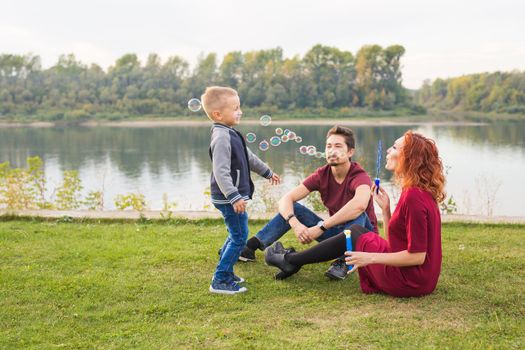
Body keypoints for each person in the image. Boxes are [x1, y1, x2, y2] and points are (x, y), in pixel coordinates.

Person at [265, 130, 445, 297]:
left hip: (410, 281)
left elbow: (417, 256)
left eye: (395, 147)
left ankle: (291, 260)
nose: (389, 150)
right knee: (357, 231)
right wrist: (385, 210)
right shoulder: (416, 191)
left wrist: (369, 257)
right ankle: (291, 260)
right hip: (419, 278)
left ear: (409, 157)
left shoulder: (413, 196)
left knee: (357, 232)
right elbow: (396, 244)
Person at [240, 125, 378, 280]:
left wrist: (321, 227)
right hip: (335, 233)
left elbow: (359, 205)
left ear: (350, 152)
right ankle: (249, 247)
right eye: (328, 146)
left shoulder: (359, 176)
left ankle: (343, 261)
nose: (332, 151)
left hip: (363, 238)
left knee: (358, 214)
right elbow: (286, 199)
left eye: (338, 146)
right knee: (294, 209)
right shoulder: (322, 174)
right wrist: (296, 224)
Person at [202, 86, 281, 294]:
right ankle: (220, 279)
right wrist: (234, 196)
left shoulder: (230, 133)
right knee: (239, 237)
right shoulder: (220, 137)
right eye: (235, 108)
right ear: (218, 114)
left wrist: (267, 172)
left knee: (235, 233)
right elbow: (220, 172)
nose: (240, 111)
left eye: (240, 107)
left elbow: (249, 157)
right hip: (229, 197)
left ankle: (226, 272)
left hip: (231, 196)